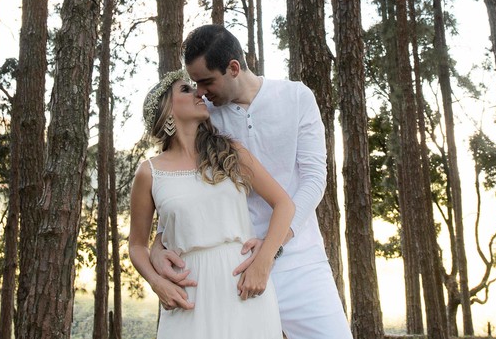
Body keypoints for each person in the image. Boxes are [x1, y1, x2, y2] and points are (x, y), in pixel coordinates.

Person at [149, 25, 354, 339]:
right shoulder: (206, 118)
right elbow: (184, 183)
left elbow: (313, 179)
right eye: (194, 84)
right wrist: (158, 244)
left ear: (233, 68)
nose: (200, 92)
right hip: (232, 268)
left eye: (206, 81)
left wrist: (271, 250)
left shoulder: (296, 97)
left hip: (299, 259)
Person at [128, 67, 295, 338]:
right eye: (186, 89)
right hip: (188, 295)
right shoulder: (149, 172)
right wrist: (157, 282)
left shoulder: (232, 153)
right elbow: (136, 245)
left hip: (244, 287)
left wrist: (263, 262)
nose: (198, 93)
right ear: (167, 110)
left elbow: (284, 204)